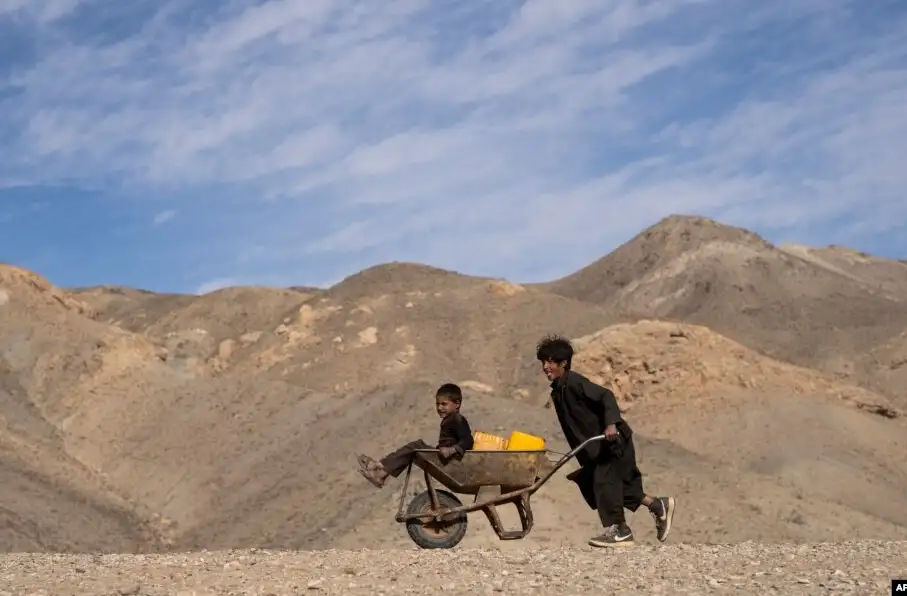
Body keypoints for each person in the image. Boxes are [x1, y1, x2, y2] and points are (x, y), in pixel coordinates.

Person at [536, 334, 676, 547]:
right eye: (543, 362)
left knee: (603, 482)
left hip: (611, 441)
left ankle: (620, 530)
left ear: (563, 363)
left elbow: (606, 396)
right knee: (615, 486)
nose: (546, 366)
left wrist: (611, 424)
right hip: (595, 447)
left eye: (550, 362)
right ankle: (658, 505)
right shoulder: (558, 390)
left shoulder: (573, 382)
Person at [357, 383, 474, 488]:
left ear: (457, 404)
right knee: (413, 449)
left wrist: (451, 450)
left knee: (416, 446)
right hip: (444, 459)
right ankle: (382, 473)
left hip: (450, 462)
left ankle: (379, 467)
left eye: (444, 404)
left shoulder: (458, 419)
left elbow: (468, 440)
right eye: (437, 404)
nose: (439, 408)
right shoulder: (450, 419)